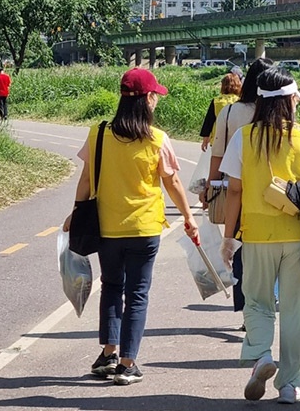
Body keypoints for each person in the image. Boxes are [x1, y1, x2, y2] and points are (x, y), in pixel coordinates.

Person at [63, 68, 199, 386]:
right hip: (145, 228)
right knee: (137, 293)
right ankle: (127, 364)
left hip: (107, 228)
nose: (157, 102)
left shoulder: (99, 133)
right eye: (155, 97)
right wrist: (188, 217)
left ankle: (109, 354)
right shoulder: (157, 139)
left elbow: (85, 179)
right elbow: (173, 181)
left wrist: (74, 213)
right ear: (148, 99)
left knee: (111, 287)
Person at [219, 67, 300, 404]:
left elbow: (235, 193)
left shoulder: (244, 136)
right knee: (298, 311)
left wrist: (229, 238)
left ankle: (261, 356)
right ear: (290, 102)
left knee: (256, 301)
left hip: (255, 235)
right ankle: (290, 384)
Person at [206, 57, 274, 320]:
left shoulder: (230, 112)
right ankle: (268, 301)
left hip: (238, 190)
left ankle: (248, 309)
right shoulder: (280, 114)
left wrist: (211, 186)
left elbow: (217, 154)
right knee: (271, 251)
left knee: (240, 250)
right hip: (273, 193)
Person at [199, 72, 242, 151]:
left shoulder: (216, 101)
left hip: (218, 138)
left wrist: (205, 139)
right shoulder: (241, 101)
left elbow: (209, 121)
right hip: (236, 139)